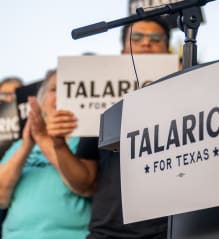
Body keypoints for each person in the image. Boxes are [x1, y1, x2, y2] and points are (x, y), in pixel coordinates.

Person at [47, 18, 171, 239]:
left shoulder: (187, 92)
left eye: (155, 39)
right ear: (123, 50)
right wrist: (58, 144)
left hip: (170, 231)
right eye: (136, 37)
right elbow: (85, 181)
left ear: (167, 48)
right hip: (108, 232)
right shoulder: (101, 102)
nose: (145, 43)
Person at [0, 70, 91, 238]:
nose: (62, 96)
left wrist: (43, 139)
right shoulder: (19, 145)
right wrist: (26, 146)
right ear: (41, 102)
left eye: (69, 89)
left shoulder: (88, 140)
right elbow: (1, 198)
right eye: (55, 90)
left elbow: (85, 187)